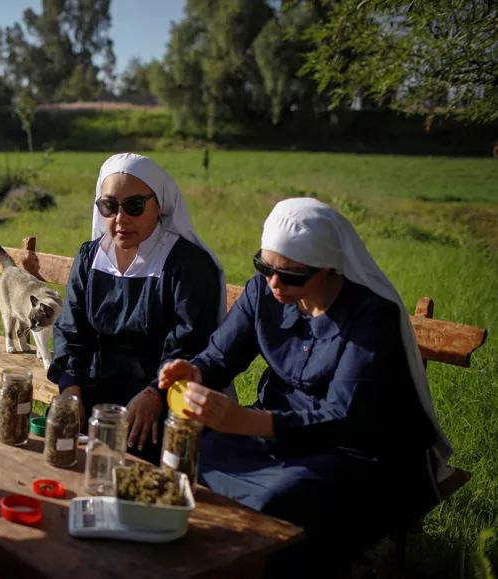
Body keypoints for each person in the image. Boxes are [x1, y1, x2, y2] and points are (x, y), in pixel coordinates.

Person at [159, 197, 453, 569]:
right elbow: (220, 356)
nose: (275, 283)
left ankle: (261, 564)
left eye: (293, 275)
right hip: (279, 429)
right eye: (264, 267)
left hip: (356, 448)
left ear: (329, 268)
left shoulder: (371, 317)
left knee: (279, 500)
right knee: (190, 452)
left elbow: (344, 416)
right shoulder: (263, 292)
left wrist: (245, 421)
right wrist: (194, 371)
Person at [47, 152, 229, 461]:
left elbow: (190, 345)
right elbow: (72, 329)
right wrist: (71, 386)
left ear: (159, 205)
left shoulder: (187, 265)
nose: (120, 219)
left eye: (134, 206)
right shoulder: (91, 257)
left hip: (159, 397)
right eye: (109, 206)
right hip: (95, 390)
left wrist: (155, 394)